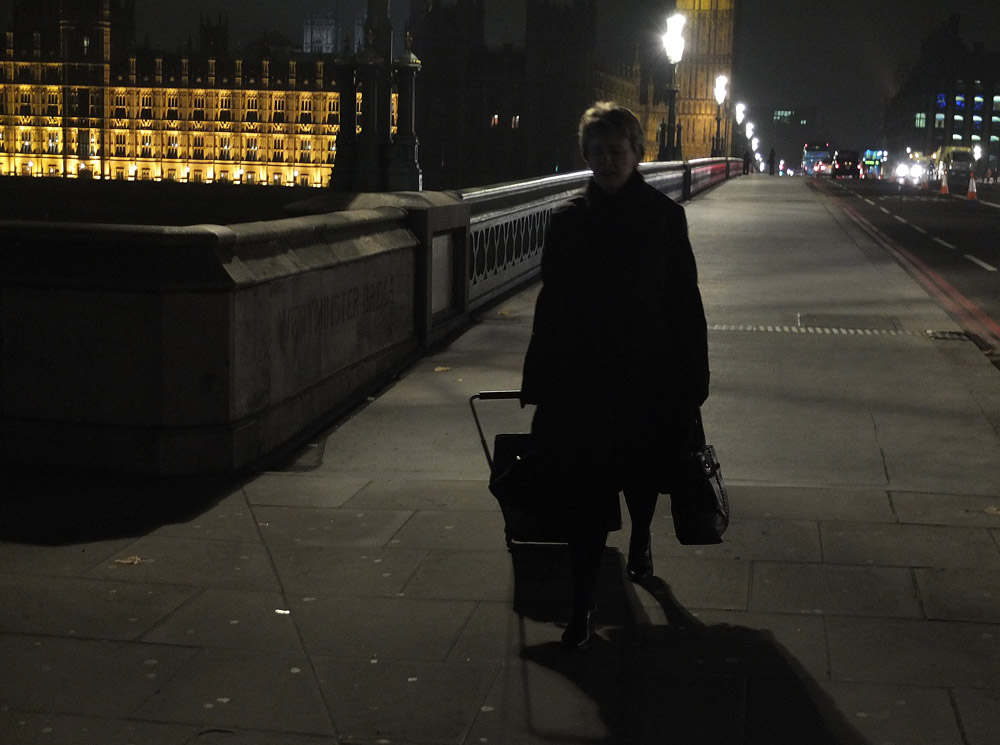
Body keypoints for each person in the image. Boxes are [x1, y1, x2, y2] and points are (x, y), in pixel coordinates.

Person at [520, 102, 710, 649]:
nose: (608, 160)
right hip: (583, 383)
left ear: (638, 155)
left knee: (641, 477)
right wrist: (540, 377)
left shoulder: (664, 219)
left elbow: (684, 305)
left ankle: (643, 534)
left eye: (617, 151)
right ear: (587, 155)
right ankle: (582, 605)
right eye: (598, 151)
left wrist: (693, 379)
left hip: (646, 379)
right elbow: (550, 307)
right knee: (585, 493)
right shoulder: (567, 222)